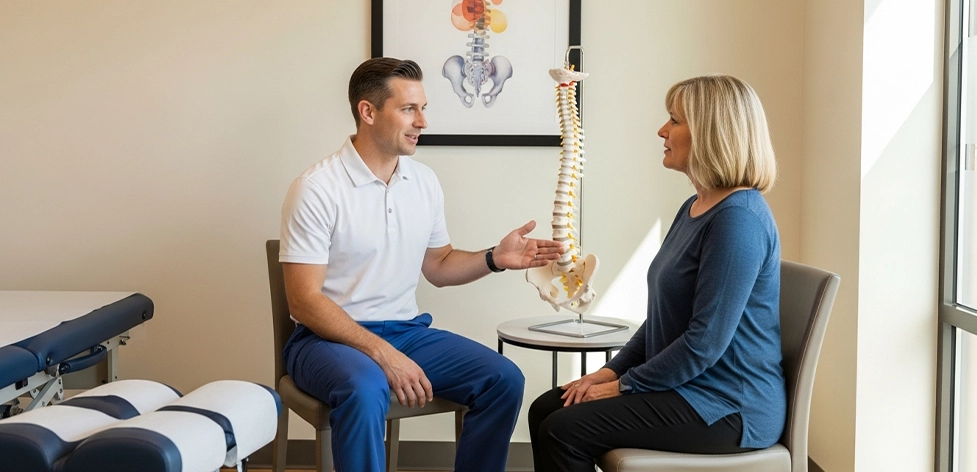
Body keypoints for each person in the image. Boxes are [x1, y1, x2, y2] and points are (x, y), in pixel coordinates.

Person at [279, 57, 564, 472]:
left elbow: (439, 265)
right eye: (409, 109)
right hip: (325, 341)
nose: (423, 122)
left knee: (503, 380)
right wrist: (382, 353)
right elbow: (303, 301)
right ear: (368, 111)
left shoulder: (423, 181)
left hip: (406, 333)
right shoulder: (317, 188)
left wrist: (494, 258)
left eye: (423, 108)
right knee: (365, 388)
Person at [527, 74, 784, 471]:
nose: (662, 130)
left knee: (562, 430)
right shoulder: (695, 207)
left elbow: (703, 344)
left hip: (729, 406)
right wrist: (609, 372)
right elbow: (663, 321)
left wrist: (623, 386)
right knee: (547, 408)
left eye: (674, 120)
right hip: (689, 387)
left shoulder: (739, 220)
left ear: (710, 132)